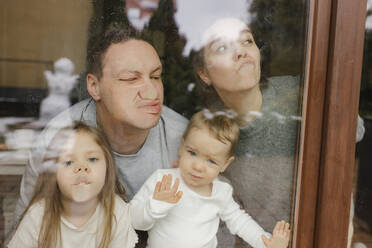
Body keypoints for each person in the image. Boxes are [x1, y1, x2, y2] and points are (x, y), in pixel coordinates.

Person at [15, 26, 188, 220]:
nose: (152, 93)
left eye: (156, 77)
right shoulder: (57, 140)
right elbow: (27, 228)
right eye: (130, 79)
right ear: (94, 86)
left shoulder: (185, 141)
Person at [193, 17, 301, 233]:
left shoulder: (297, 92)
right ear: (204, 73)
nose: (241, 52)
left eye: (247, 41)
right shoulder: (209, 135)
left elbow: (352, 131)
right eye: (223, 47)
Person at [130, 110, 291, 248]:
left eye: (211, 161)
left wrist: (266, 242)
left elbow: (240, 222)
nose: (198, 167)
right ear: (182, 146)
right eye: (192, 153)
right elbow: (132, 220)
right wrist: (154, 206)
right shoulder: (164, 181)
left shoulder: (221, 192)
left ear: (224, 165)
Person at [8, 122, 138, 248]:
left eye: (92, 159)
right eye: (69, 162)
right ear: (53, 173)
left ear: (108, 167)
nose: (81, 167)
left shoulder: (116, 211)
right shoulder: (39, 214)